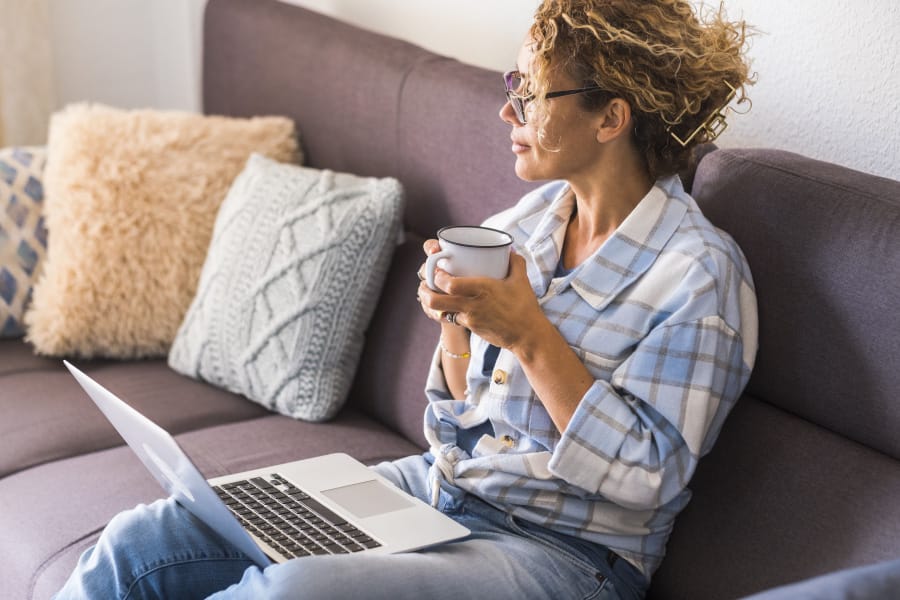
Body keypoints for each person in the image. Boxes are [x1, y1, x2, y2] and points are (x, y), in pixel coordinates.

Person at [55, 1, 756, 598]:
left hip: (567, 554)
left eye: (533, 92)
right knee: (149, 538)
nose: (507, 107)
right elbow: (461, 416)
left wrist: (530, 336)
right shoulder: (527, 226)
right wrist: (458, 328)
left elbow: (647, 476)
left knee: (295, 591)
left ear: (611, 119)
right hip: (437, 490)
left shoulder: (698, 278)